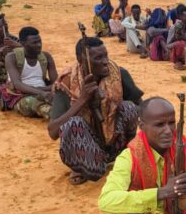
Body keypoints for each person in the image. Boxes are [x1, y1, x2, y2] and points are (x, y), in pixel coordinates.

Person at [48, 37, 142, 184]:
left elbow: (141, 107)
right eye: (98, 58)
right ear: (81, 60)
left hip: (116, 144)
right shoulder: (66, 82)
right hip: (88, 150)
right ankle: (84, 167)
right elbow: (53, 132)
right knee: (73, 123)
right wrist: (82, 100)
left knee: (129, 107)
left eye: (106, 55)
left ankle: (126, 158)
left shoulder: (118, 73)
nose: (105, 61)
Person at [0, 27, 57, 119]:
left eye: (40, 42)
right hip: (21, 96)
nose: (39, 45)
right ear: (23, 44)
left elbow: (56, 84)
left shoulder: (46, 57)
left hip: (44, 93)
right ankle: (55, 114)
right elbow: (18, 85)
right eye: (34, 43)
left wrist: (43, 90)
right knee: (34, 104)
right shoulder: (12, 57)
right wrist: (42, 92)